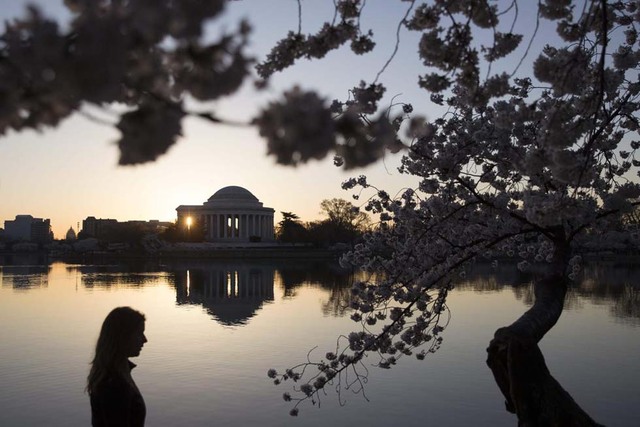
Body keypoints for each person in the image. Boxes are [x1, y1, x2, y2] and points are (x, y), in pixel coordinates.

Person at [87, 307, 148, 427]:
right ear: (123, 337)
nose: (145, 340)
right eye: (139, 333)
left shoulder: (119, 373)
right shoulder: (114, 385)